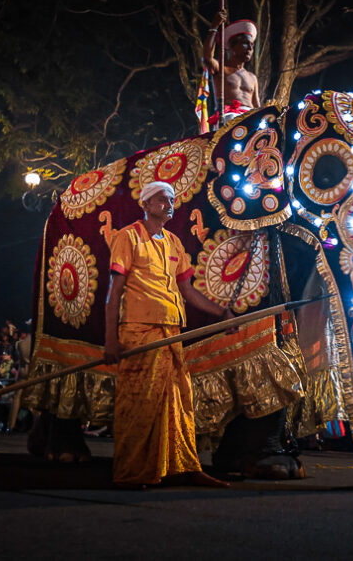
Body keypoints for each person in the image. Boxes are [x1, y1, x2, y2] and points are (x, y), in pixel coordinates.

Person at [103, 181, 232, 489]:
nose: (169, 204)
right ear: (146, 205)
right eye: (162, 200)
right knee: (139, 402)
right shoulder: (127, 237)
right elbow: (114, 292)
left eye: (172, 200)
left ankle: (184, 467)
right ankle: (132, 472)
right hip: (138, 330)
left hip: (171, 331)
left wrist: (221, 313)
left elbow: (188, 291)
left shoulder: (174, 242)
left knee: (178, 400)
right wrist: (111, 339)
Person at [203, 10, 260, 125]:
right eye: (245, 43)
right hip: (230, 118)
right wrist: (214, 27)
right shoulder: (221, 69)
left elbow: (257, 106)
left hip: (250, 118)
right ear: (232, 47)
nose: (249, 48)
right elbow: (207, 57)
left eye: (252, 45)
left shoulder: (252, 77)